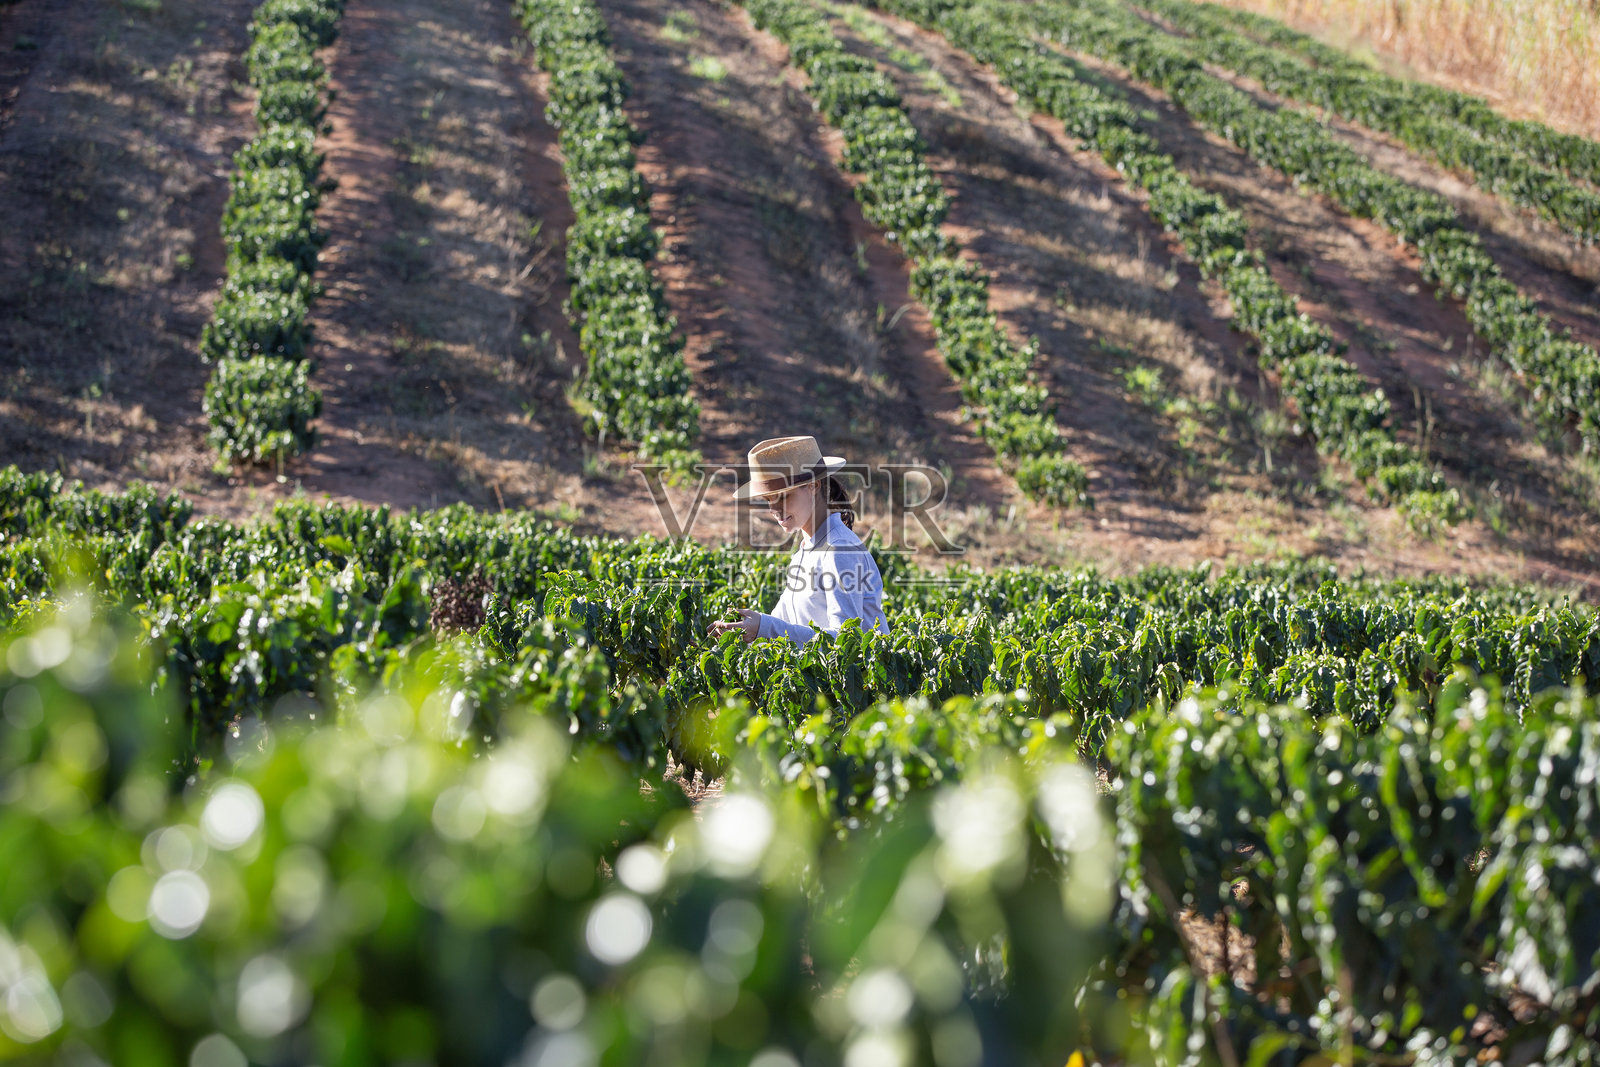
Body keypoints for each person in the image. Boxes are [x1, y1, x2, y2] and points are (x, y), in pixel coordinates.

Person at [707, 435, 888, 647]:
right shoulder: (805, 551)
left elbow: (846, 641)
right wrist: (741, 632)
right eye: (768, 499)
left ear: (813, 486)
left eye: (783, 496)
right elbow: (781, 623)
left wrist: (763, 627)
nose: (774, 510)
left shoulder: (839, 549)